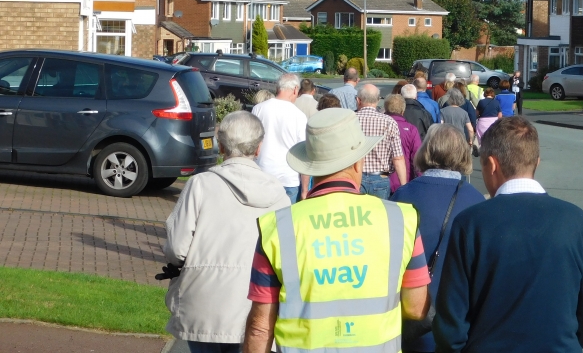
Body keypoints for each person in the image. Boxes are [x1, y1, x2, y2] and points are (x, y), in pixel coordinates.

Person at [242, 108, 431, 353]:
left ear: (309, 166)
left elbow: (260, 326)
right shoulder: (401, 219)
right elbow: (416, 308)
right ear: (358, 161)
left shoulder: (278, 227)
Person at [433, 117, 583, 352]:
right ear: (537, 162)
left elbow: (451, 321)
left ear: (492, 165)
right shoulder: (575, 220)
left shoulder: (470, 223)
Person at [163, 111, 291, 353]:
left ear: (221, 146)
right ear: (258, 148)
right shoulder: (280, 195)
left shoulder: (200, 185)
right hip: (258, 307)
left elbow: (177, 249)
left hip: (203, 303)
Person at [391, 124, 485, 352]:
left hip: (413, 316)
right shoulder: (477, 201)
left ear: (427, 150)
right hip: (460, 319)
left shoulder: (402, 196)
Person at [252, 73, 308, 203]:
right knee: (286, 222)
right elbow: (304, 155)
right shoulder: (299, 116)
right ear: (295, 90)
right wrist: (305, 190)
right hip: (289, 178)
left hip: (262, 175)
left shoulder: (258, 109)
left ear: (278, 88)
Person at [356, 84, 407, 198]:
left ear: (358, 100)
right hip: (381, 178)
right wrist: (404, 186)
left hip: (356, 177)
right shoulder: (389, 122)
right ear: (378, 100)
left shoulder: (350, 120)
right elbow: (398, 158)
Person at [384, 94, 422, 193]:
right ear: (403, 111)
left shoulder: (379, 126)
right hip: (404, 180)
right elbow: (417, 158)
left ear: (385, 108)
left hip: (381, 180)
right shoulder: (411, 129)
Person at [439, 89, 474, 156]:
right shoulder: (464, 113)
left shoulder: (442, 111)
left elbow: (440, 125)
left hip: (447, 138)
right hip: (460, 139)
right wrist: (470, 140)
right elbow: (470, 129)